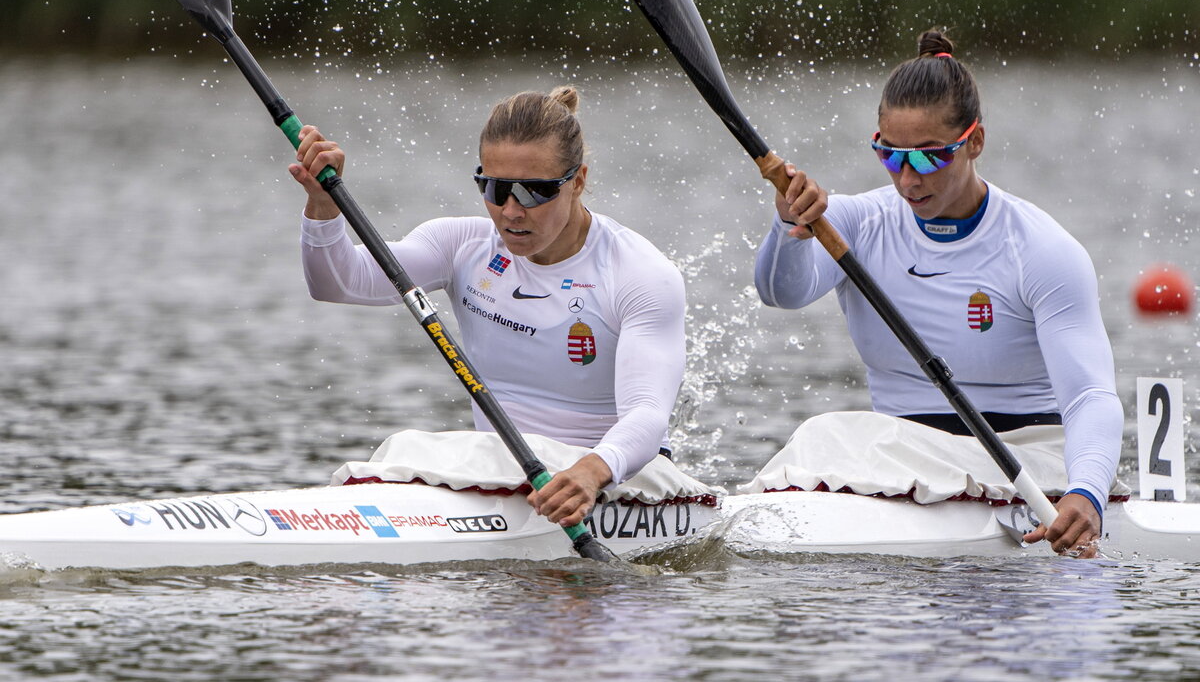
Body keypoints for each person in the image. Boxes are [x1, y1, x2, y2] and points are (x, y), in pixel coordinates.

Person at [755, 29, 1123, 558]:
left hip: (1026, 463)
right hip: (901, 459)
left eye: (930, 157)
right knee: (819, 432)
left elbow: (1090, 395)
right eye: (890, 155)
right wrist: (786, 224)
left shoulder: (1041, 250)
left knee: (825, 435)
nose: (908, 179)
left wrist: (1088, 491)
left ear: (975, 141)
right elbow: (779, 294)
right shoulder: (858, 223)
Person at [288, 86, 686, 529]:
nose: (511, 211)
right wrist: (323, 205)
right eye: (495, 188)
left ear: (578, 181)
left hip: (615, 482)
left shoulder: (639, 274)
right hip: (503, 472)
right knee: (406, 445)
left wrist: (592, 472)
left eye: (534, 192)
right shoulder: (462, 245)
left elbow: (648, 415)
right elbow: (337, 284)